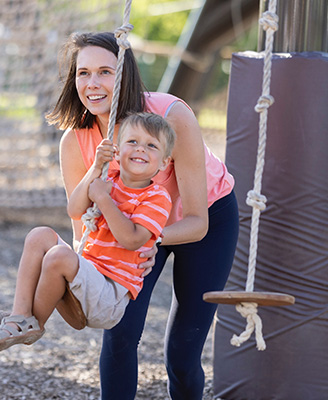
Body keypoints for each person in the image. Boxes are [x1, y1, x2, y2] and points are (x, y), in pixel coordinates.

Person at [45, 31, 239, 400]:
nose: (93, 83)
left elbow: (198, 221)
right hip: (132, 226)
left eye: (105, 71)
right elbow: (82, 231)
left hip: (203, 221)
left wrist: (149, 237)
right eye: (83, 73)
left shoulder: (170, 115)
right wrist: (85, 283)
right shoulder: (76, 141)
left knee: (182, 355)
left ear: (125, 76)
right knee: (119, 335)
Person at [0, 112, 175, 353]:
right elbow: (74, 210)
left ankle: (34, 324)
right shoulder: (107, 178)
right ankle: (20, 313)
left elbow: (131, 240)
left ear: (164, 162)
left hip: (110, 295)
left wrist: (104, 199)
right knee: (39, 235)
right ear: (117, 149)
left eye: (151, 145)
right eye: (132, 142)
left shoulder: (156, 197)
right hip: (88, 275)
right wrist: (96, 167)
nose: (140, 149)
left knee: (58, 256)